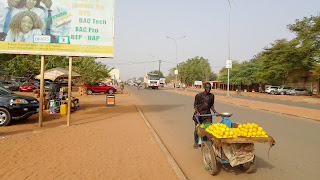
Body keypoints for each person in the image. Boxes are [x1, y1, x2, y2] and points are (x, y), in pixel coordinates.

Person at [192, 82, 219, 149]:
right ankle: (196, 142)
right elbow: (195, 105)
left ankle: (206, 141)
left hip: (207, 114)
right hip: (199, 115)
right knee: (197, 129)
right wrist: (197, 112)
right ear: (204, 88)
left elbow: (211, 105)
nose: (208, 89)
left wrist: (215, 112)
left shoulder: (212, 96)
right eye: (207, 88)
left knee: (208, 128)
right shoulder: (199, 95)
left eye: (210, 88)